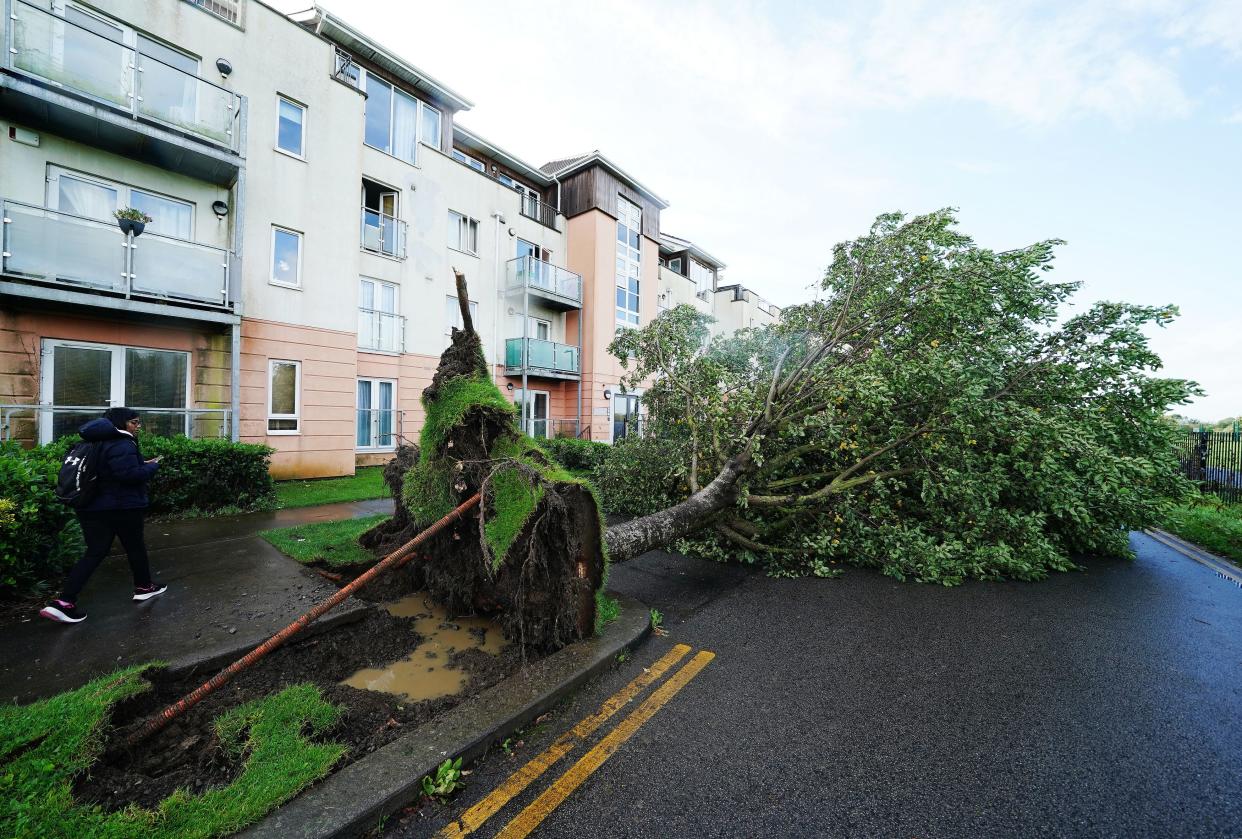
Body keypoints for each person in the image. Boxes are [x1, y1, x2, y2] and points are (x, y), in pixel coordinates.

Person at [39, 407, 166, 624]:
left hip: (90, 507)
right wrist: (152, 467)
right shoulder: (121, 442)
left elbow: (107, 471)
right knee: (135, 547)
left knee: (94, 552)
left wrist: (138, 465)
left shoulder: (88, 442)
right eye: (135, 422)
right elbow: (128, 476)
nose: (138, 427)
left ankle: (63, 602)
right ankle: (144, 587)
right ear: (121, 423)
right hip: (122, 507)